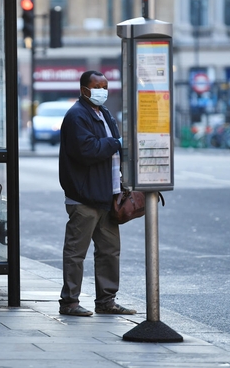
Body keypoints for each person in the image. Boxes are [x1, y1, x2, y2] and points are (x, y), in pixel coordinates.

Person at [57, 70, 136, 317]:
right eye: (97, 86)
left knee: (109, 251)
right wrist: (116, 142)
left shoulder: (104, 114)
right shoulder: (76, 116)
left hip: (107, 195)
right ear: (84, 90)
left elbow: (113, 148)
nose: (103, 90)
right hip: (84, 197)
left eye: (105, 85)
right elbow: (88, 150)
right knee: (75, 252)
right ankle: (69, 302)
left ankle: (106, 301)